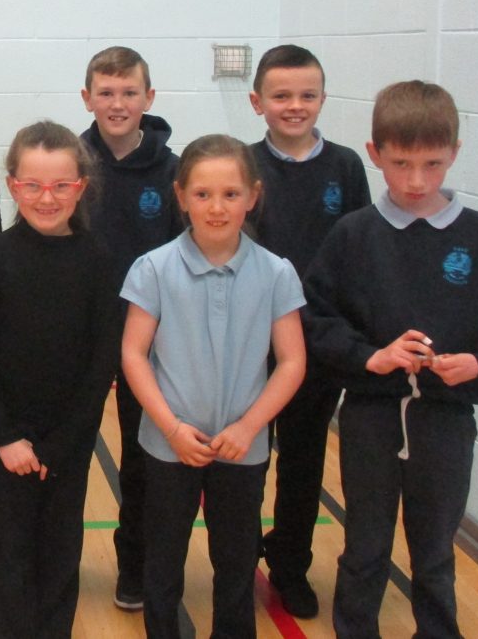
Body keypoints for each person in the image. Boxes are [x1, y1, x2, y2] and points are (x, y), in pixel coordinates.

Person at [304, 80, 478, 639]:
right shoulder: (353, 234)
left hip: (446, 419)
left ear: (455, 154)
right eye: (400, 164)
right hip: (369, 418)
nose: (416, 180)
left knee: (435, 550)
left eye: (432, 164)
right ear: (375, 155)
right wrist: (371, 357)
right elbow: (316, 318)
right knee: (365, 545)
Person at [120, 134, 306, 639]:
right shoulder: (153, 268)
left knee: (236, 562)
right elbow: (134, 354)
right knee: (163, 562)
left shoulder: (276, 273)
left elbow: (292, 362)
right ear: (181, 197)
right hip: (170, 445)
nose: (217, 207)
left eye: (230, 194)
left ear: (253, 196)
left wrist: (249, 427)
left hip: (241, 448)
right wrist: (171, 428)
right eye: (203, 194)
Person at [0, 121, 119, 638]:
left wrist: (65, 442)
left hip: (69, 440)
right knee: (11, 552)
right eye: (32, 185)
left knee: (60, 550)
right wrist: (6, 436)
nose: (46, 198)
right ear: (13, 186)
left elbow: (101, 362)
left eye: (60, 185)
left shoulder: (98, 260)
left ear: (81, 186)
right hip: (10, 439)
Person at [246, 44, 371, 618]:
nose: (294, 105)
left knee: (302, 461)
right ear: (258, 102)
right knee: (246, 457)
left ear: (322, 99)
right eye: (281, 96)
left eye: (307, 95)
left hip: (317, 345)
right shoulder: (243, 164)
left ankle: (290, 565)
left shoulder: (346, 166)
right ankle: (239, 553)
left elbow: (361, 253)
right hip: (249, 342)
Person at [78, 45, 182, 610]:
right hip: (81, 340)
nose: (117, 103)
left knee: (144, 462)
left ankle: (135, 567)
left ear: (149, 97)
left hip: (152, 344)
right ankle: (55, 564)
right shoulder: (69, 164)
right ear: (87, 98)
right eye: (106, 92)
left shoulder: (173, 172)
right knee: (67, 451)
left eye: (129, 92)